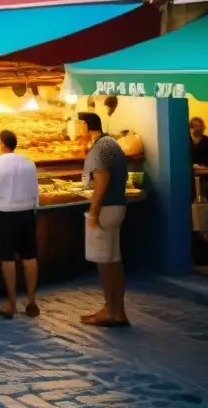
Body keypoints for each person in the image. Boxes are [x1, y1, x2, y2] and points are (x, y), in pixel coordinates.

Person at [0, 129, 40, 319]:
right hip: (28, 213)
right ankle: (31, 301)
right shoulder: (29, 162)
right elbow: (35, 189)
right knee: (30, 257)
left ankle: (12, 303)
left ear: (3, 144)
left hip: (6, 214)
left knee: (7, 259)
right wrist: (34, 207)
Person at [79, 111, 130, 327]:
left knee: (105, 262)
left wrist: (94, 211)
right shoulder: (108, 143)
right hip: (115, 206)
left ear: (84, 125)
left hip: (106, 208)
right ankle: (116, 309)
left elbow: (103, 178)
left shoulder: (101, 147)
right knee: (113, 260)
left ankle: (112, 310)